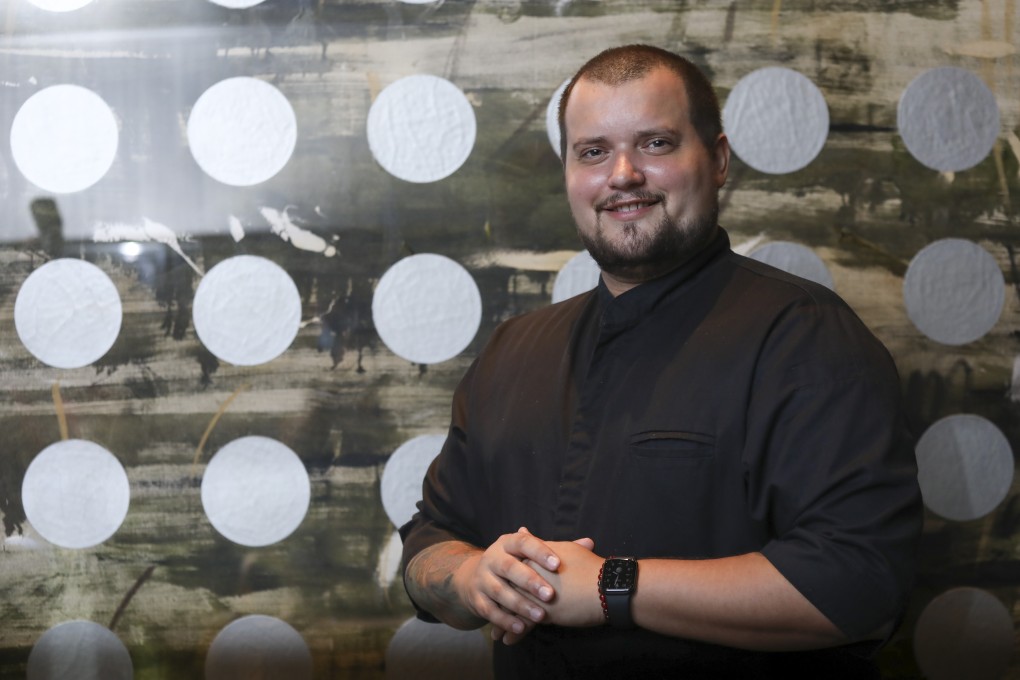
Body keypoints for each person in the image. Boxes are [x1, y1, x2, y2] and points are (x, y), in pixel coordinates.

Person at [399, 44, 923, 678]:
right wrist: (470, 578)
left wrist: (611, 587)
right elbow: (429, 543)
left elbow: (860, 583)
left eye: (655, 144)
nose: (622, 174)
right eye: (593, 152)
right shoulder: (513, 350)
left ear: (719, 159)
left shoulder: (808, 338)